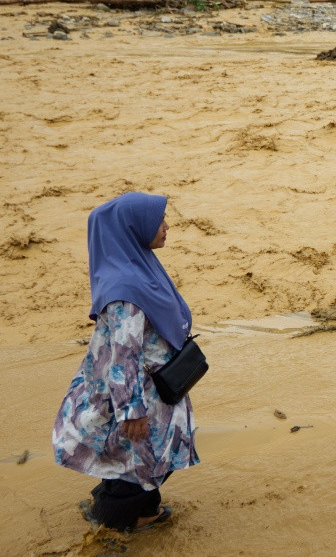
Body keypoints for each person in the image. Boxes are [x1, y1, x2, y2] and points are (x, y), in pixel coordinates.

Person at [53, 192, 199, 532]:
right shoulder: (126, 290)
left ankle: (137, 510)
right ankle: (115, 523)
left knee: (136, 455)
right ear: (134, 227)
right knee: (140, 456)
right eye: (158, 220)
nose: (166, 225)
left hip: (149, 386)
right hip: (136, 393)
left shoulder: (138, 266)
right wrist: (132, 410)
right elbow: (123, 355)